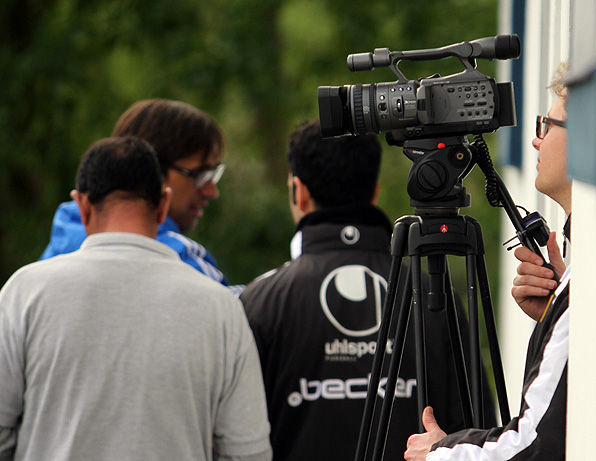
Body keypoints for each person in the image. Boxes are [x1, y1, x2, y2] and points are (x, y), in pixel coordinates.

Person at [0, 137, 272, 461]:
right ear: (164, 204)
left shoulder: (24, 293)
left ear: (82, 205)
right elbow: (247, 451)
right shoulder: (220, 307)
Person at [240, 119, 494, 460]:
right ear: (374, 191)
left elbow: (235, 437)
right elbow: (480, 435)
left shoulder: (258, 302)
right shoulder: (434, 295)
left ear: (299, 192)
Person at [404, 63, 572, 460]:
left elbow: (531, 446)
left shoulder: (582, 294)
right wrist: (554, 309)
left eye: (548, 126)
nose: (536, 141)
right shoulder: (577, 285)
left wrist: (439, 452)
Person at [39, 99, 241, 294]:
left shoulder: (46, 264)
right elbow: (233, 309)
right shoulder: (179, 259)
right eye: (201, 175)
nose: (211, 191)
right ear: (152, 173)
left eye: (214, 174)